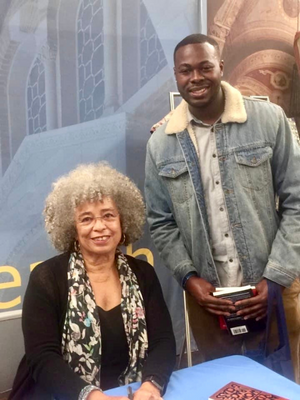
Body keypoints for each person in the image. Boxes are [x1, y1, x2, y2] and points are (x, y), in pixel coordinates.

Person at [145, 33, 300, 381]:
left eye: (204, 67)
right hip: (207, 299)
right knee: (223, 385)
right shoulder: (160, 144)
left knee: (281, 382)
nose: (196, 77)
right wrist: (189, 279)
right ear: (176, 75)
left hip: (272, 290)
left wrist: (275, 277)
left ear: (221, 68)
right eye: (186, 71)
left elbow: (297, 201)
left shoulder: (268, 120)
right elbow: (160, 222)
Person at [10, 163, 176, 400]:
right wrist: (91, 396)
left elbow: (163, 341)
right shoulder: (46, 278)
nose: (100, 227)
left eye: (108, 215)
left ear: (123, 220)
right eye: (86, 219)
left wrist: (152, 385)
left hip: (132, 392)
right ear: (72, 228)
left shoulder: (143, 273)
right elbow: (42, 357)